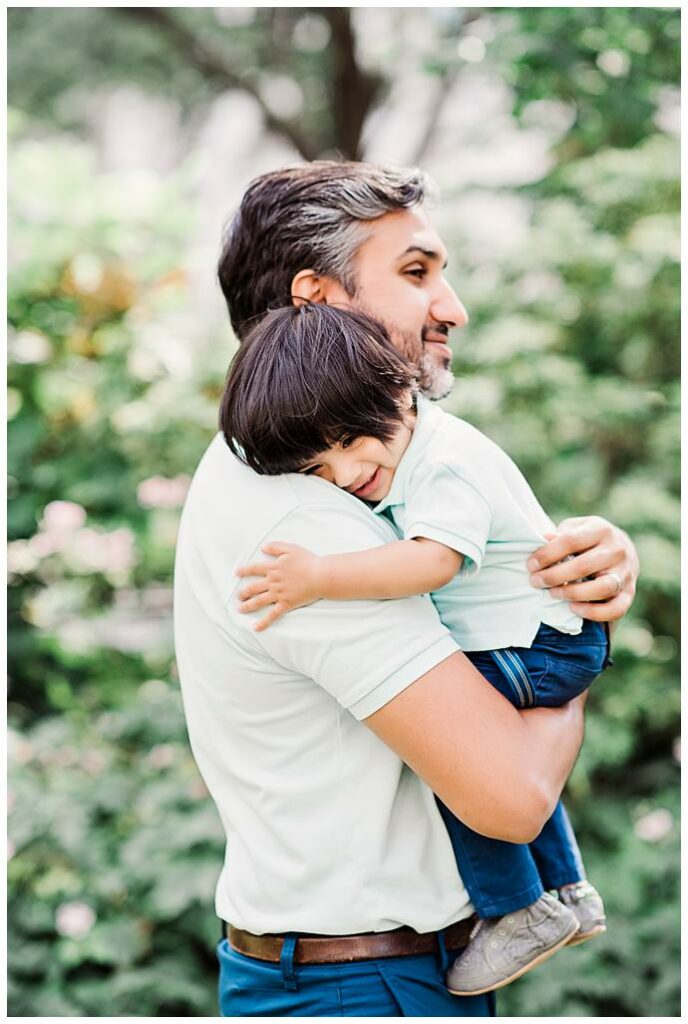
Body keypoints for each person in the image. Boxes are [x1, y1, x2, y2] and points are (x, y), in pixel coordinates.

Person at [173, 161, 638, 1017]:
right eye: (417, 273)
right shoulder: (300, 509)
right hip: (356, 983)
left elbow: (479, 564)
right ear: (316, 300)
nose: (452, 307)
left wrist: (589, 564)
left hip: (372, 972)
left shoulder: (368, 458)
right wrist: (569, 642)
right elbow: (510, 795)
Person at [220, 301, 610, 996]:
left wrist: (319, 578)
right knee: (465, 733)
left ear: (398, 389)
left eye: (347, 440)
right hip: (546, 635)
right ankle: (567, 891)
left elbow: (434, 563)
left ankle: (520, 910)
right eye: (317, 466)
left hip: (539, 645)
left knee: (458, 754)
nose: (342, 474)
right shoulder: (411, 453)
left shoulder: (444, 464)